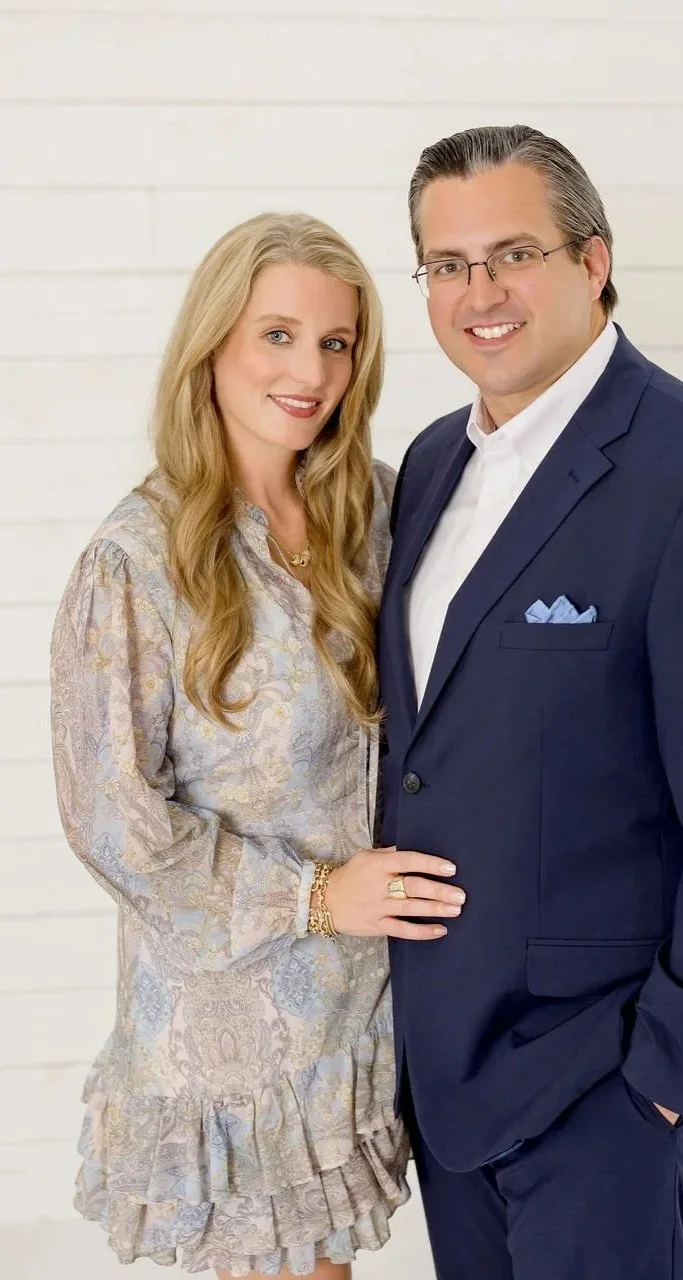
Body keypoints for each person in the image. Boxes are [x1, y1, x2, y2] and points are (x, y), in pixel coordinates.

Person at [377, 125, 683, 1279]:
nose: (477, 292)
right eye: (446, 263)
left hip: (606, 1083)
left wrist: (672, 1086)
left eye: (512, 253)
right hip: (451, 1074)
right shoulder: (432, 464)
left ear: (591, 262)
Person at [49, 211, 462, 1280]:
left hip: (362, 1004)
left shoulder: (375, 507)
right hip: (234, 1020)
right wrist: (317, 896)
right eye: (277, 334)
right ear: (214, 345)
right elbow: (111, 819)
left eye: (336, 342)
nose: (310, 370)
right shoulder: (136, 560)